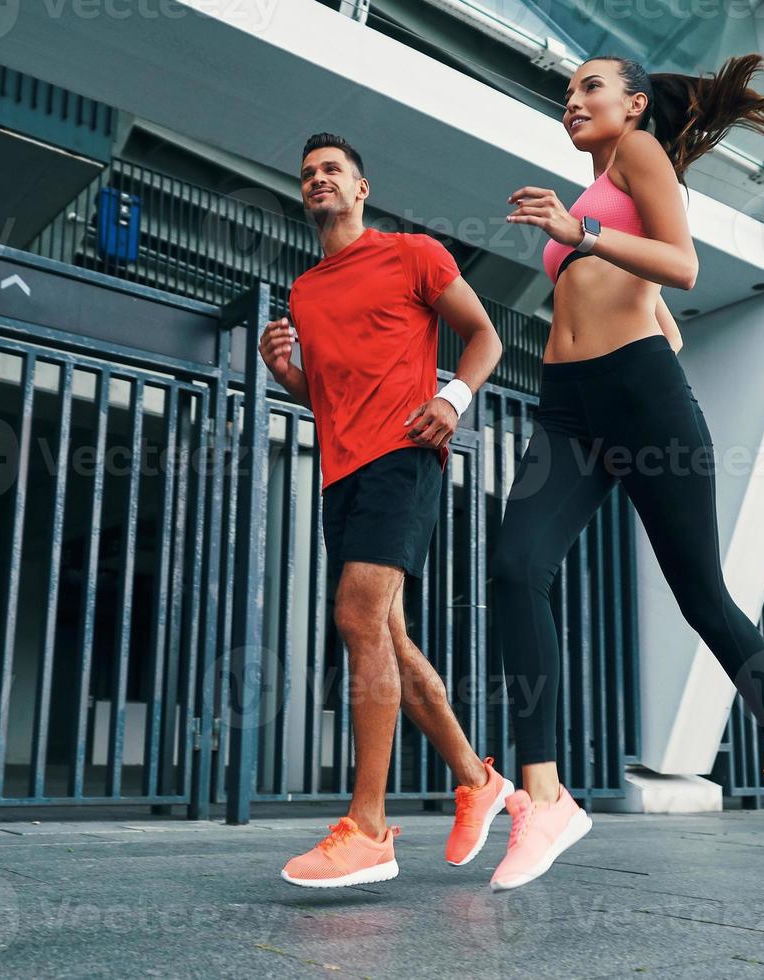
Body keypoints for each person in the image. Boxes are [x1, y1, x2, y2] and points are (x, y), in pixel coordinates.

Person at [488, 54, 764, 892]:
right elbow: (653, 304)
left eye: (589, 87)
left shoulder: (639, 156)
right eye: (566, 92)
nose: (572, 100)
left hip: (638, 401)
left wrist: (579, 234)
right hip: (567, 405)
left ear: (634, 105)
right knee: (515, 567)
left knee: (700, 596)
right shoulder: (597, 190)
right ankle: (544, 796)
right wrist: (589, 248)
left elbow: (682, 264)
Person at [261, 133, 509, 888]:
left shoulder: (413, 255)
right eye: (306, 173)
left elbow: (485, 336)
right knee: (388, 638)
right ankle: (476, 779)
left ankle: (368, 828)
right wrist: (286, 373)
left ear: (361, 188)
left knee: (355, 619)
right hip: (344, 473)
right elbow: (329, 399)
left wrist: (451, 397)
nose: (317, 179)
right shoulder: (303, 292)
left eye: (331, 169)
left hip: (404, 453)